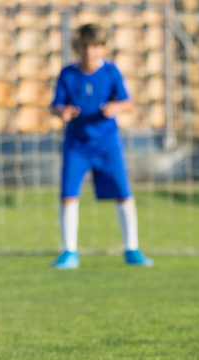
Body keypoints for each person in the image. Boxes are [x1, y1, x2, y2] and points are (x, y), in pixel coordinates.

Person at [49, 23, 153, 270]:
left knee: (123, 194)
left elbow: (127, 102)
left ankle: (132, 249)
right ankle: (69, 252)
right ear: (77, 48)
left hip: (108, 144)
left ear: (103, 48)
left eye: (95, 46)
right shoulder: (68, 74)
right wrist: (62, 112)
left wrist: (115, 107)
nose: (90, 51)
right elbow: (55, 106)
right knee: (68, 196)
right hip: (77, 145)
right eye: (84, 46)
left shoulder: (111, 72)